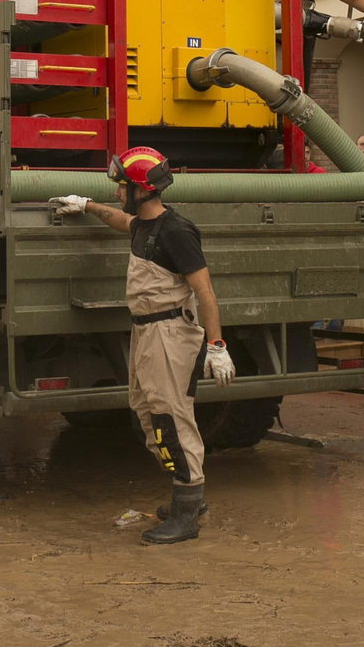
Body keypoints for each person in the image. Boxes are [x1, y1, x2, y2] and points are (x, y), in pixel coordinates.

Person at [48, 147, 235, 545]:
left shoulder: (176, 231)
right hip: (146, 332)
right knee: (145, 415)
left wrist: (217, 346)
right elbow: (123, 221)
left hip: (170, 334)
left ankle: (186, 514)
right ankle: (189, 496)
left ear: (143, 190)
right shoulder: (143, 226)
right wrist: (87, 206)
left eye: (122, 186)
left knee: (170, 419)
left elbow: (205, 292)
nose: (117, 191)